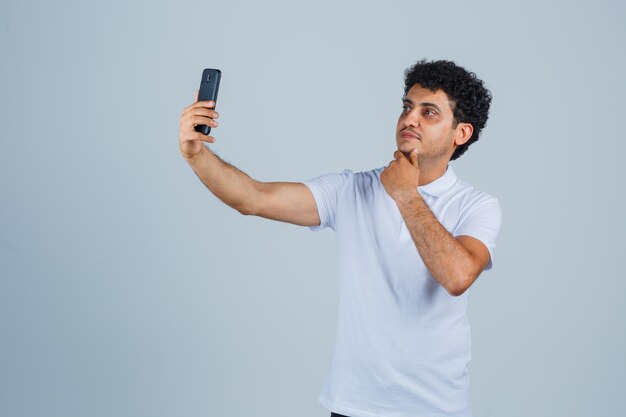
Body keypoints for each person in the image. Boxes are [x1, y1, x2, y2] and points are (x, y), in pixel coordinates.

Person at [179, 59, 502, 417]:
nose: (410, 119)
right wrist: (196, 154)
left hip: (436, 409)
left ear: (461, 134)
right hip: (353, 406)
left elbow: (457, 276)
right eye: (407, 107)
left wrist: (406, 195)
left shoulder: (478, 206)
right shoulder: (351, 189)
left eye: (429, 113)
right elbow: (253, 198)